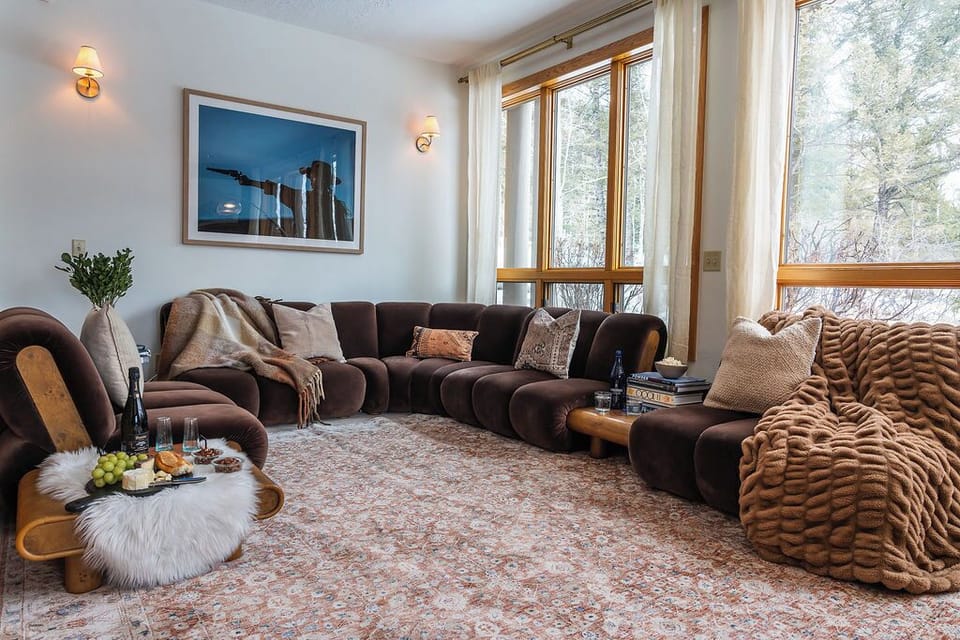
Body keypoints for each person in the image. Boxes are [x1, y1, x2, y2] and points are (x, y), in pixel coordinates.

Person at [207, 160, 352, 241]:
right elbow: (277, 189)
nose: (313, 181)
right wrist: (250, 182)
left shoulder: (332, 205)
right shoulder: (307, 199)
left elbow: (277, 189)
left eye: (315, 177)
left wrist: (250, 182)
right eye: (312, 178)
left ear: (326, 180)